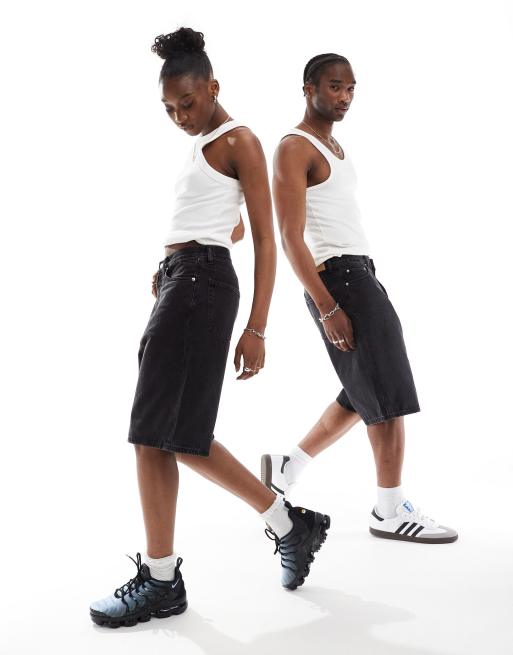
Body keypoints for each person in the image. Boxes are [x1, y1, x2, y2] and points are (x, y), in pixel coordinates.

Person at [89, 29, 330, 629]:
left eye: (188, 103)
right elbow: (230, 223)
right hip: (186, 281)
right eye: (169, 108)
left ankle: (161, 580)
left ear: (213, 87)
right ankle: (288, 524)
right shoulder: (204, 146)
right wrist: (173, 260)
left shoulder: (239, 139)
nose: (179, 116)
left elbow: (267, 238)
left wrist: (258, 327)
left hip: (200, 286)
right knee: (179, 435)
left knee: (153, 434)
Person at [262, 53, 457, 545]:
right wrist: (327, 306)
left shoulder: (334, 146)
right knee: (387, 395)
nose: (345, 97)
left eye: (351, 89)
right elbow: (290, 237)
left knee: (364, 391)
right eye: (334, 87)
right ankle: (389, 510)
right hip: (340, 280)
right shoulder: (294, 147)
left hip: (360, 273)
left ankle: (287, 467)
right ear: (308, 88)